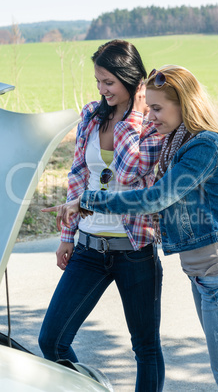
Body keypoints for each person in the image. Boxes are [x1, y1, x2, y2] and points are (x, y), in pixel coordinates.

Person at [45, 65, 218, 391]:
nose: (151, 115)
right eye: (149, 107)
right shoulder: (175, 141)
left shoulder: (204, 147)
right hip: (205, 275)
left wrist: (88, 201)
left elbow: (156, 198)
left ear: (183, 104)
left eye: (157, 108)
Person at [39, 40, 165, 392]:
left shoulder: (151, 124)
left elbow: (128, 173)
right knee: (52, 340)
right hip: (89, 249)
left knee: (146, 347)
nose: (102, 90)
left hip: (134, 250)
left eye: (109, 82)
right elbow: (78, 173)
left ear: (130, 80)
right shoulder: (91, 116)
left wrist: (136, 118)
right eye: (98, 81)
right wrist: (67, 235)